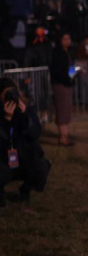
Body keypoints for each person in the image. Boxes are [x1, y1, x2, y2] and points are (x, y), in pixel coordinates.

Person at [0, 78, 50, 207]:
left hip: (22, 159)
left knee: (41, 167)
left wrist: (24, 115)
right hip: (3, 161)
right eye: (6, 95)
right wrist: (6, 119)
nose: (10, 98)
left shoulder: (25, 110)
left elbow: (35, 133)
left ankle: (25, 190)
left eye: (13, 93)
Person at [50, 32, 75, 146]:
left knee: (66, 110)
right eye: (64, 39)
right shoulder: (57, 54)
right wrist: (67, 79)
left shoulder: (68, 53)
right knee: (62, 110)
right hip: (61, 84)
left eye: (68, 39)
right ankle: (63, 137)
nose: (67, 41)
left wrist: (72, 77)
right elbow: (58, 70)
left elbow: (71, 68)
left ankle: (65, 135)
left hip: (67, 84)